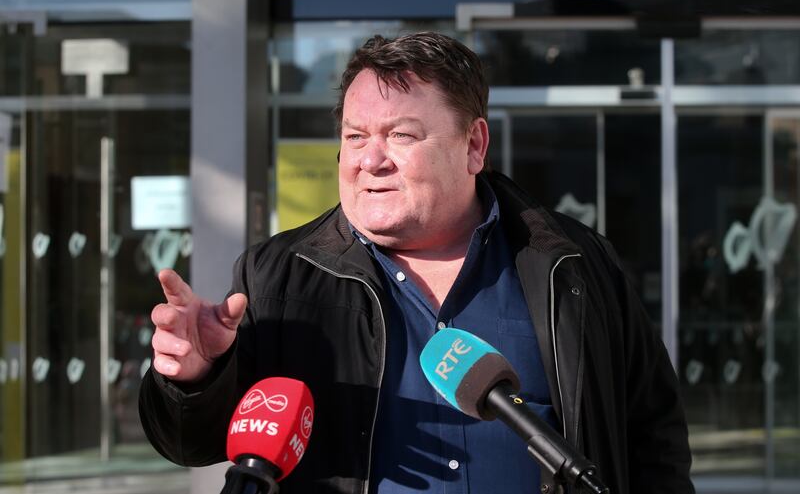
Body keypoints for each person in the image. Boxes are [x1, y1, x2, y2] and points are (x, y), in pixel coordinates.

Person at [139, 32, 694, 494]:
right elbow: (193, 443)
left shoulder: (574, 265)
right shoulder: (277, 274)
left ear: (474, 146)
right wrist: (196, 380)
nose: (370, 160)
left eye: (400, 135)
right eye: (355, 136)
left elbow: (653, 440)